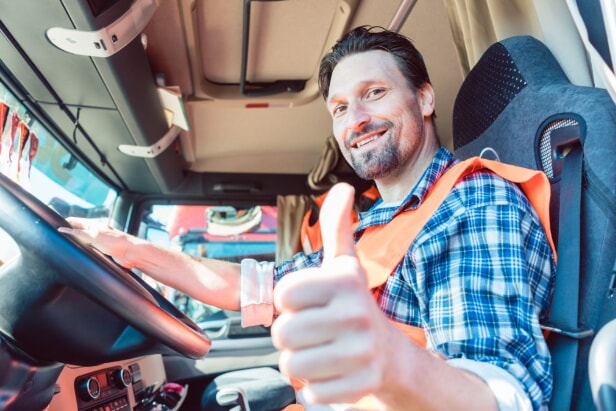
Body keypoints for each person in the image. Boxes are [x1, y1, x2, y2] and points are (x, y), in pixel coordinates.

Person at [61, 26, 555, 411]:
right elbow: (248, 287)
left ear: (424, 99)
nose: (354, 119)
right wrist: (128, 250)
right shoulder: (375, 223)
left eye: (375, 92)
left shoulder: (470, 205)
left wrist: (391, 361)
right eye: (339, 107)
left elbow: (500, 394)